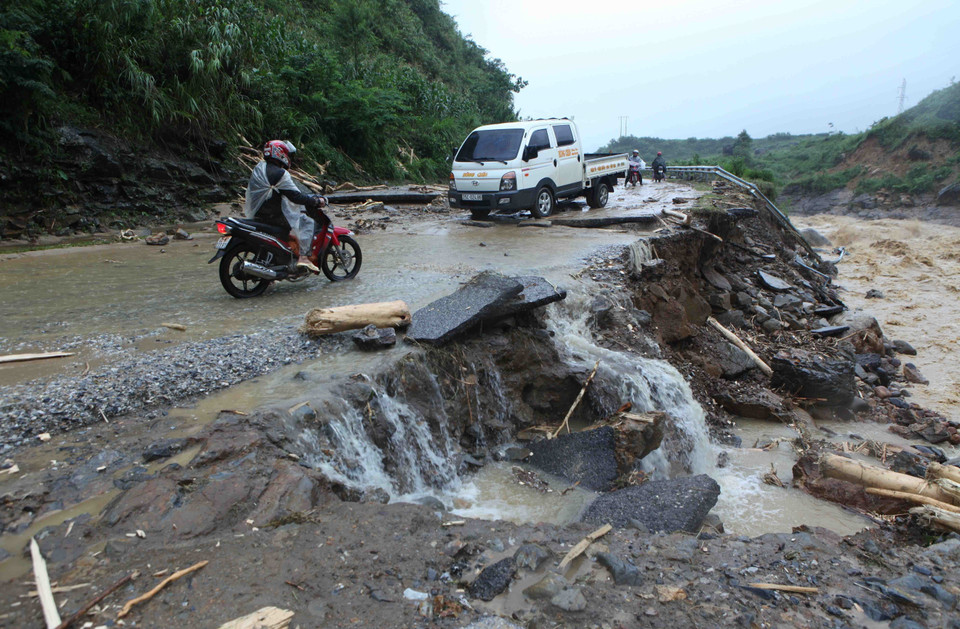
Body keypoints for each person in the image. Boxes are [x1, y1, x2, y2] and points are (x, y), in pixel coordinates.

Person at [244, 140, 327, 273]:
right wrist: (316, 201)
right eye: (287, 154)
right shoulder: (280, 174)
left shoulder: (260, 168)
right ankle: (304, 258)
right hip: (273, 215)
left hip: (259, 213)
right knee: (307, 222)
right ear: (280, 154)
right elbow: (296, 197)